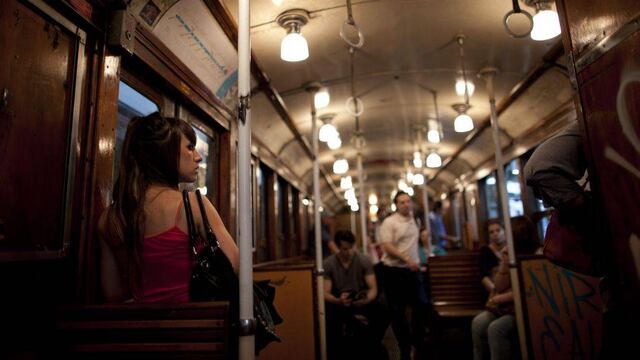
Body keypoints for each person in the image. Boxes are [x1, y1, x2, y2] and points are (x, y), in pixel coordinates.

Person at [98, 113, 239, 303]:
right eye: (190, 148)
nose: (198, 157)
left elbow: (113, 293)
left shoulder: (110, 218)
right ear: (166, 153)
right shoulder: (194, 204)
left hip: (138, 329)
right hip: (193, 326)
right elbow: (235, 264)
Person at [471, 216, 539, 360]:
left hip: (528, 306)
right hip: (509, 305)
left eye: (502, 231)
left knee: (496, 329)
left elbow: (529, 289)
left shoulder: (537, 254)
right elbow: (499, 285)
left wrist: (500, 298)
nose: (499, 235)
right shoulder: (508, 253)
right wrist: (504, 264)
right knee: (478, 323)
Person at [323, 230, 388, 360]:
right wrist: (338, 300)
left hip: (360, 297)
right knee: (329, 315)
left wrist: (366, 300)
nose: (349, 252)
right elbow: (325, 293)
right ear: (338, 247)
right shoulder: (329, 263)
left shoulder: (363, 260)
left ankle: (372, 344)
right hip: (339, 301)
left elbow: (373, 288)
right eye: (345, 249)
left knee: (383, 310)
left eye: (351, 248)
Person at [378, 191, 425, 360]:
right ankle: (403, 345)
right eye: (402, 202)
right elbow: (386, 246)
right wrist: (406, 258)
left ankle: (417, 342)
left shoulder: (416, 220)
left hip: (413, 271)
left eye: (408, 201)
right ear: (396, 205)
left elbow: (414, 243)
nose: (406, 204)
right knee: (397, 311)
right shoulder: (390, 223)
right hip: (394, 271)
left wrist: (419, 259)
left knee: (421, 305)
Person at [478, 219, 506, 296]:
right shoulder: (485, 251)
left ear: (505, 231)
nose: (495, 234)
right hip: (494, 290)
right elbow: (484, 277)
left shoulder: (511, 248)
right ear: (488, 236)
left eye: (498, 230)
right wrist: (495, 292)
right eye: (491, 232)